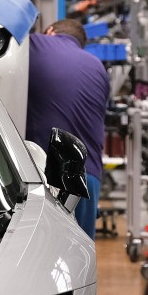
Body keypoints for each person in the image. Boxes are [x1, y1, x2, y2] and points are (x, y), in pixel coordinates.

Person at [26, 19, 108, 237]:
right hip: (89, 176)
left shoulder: (36, 44)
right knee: (80, 258)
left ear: (50, 31)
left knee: (42, 255)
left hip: (50, 171)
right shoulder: (97, 66)